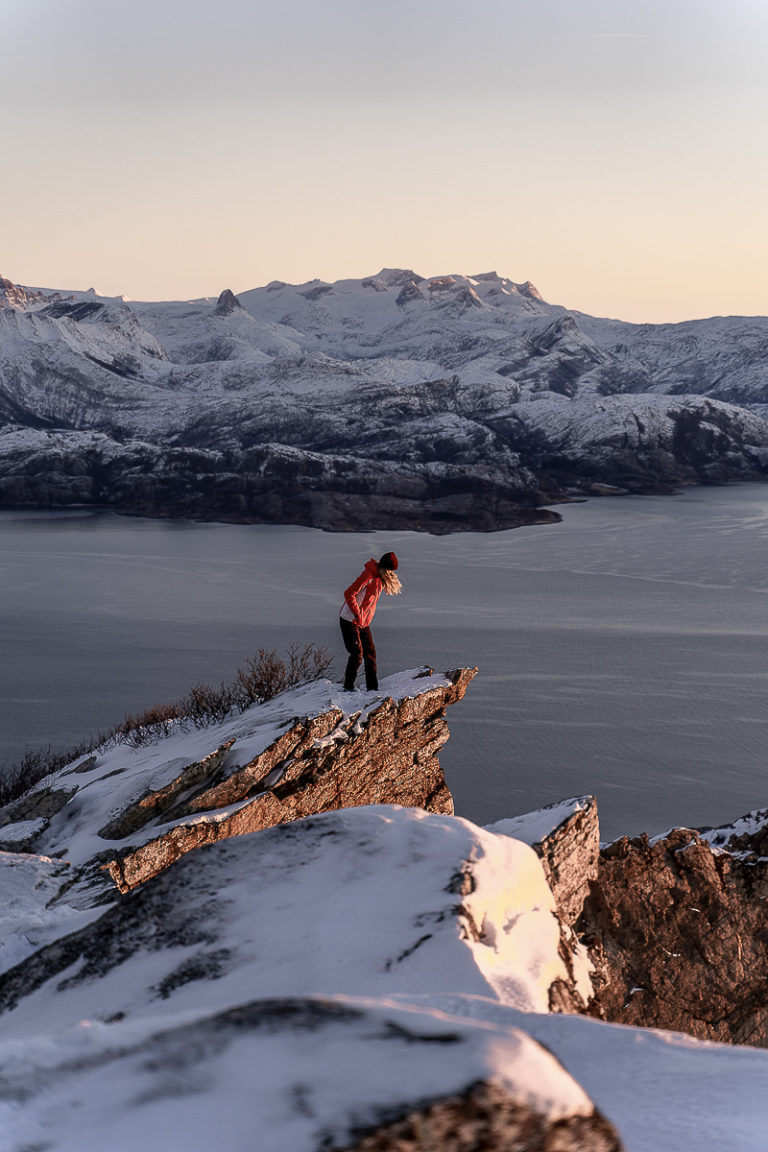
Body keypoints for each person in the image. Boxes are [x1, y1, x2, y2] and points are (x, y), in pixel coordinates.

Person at [339, 552, 401, 692]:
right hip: (350, 619)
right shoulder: (368, 576)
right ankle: (348, 688)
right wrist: (357, 614)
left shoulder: (379, 578)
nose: (391, 573)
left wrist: (362, 618)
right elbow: (349, 593)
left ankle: (372, 690)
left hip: (363, 622)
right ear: (384, 568)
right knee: (357, 654)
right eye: (390, 570)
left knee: (370, 654)